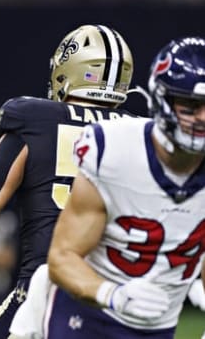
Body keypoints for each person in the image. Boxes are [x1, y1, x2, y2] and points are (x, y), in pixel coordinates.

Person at [0, 24, 137, 338]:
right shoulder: (142, 134)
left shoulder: (34, 120)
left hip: (47, 288)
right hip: (119, 295)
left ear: (68, 71)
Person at [44, 36, 205, 338]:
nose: (203, 117)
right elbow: (62, 257)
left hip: (158, 327)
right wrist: (112, 294)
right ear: (162, 99)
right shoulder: (115, 151)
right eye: (192, 105)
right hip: (87, 315)